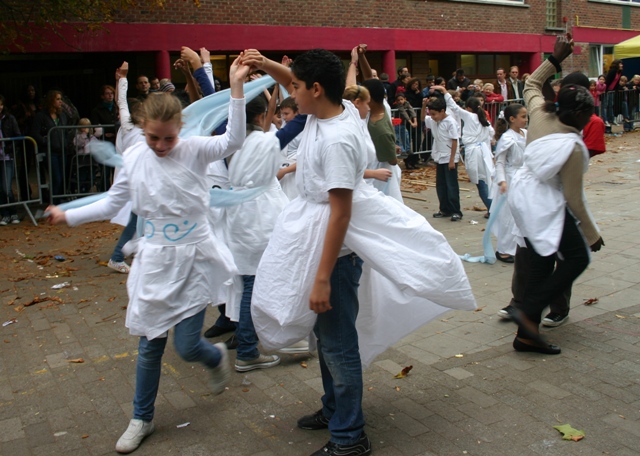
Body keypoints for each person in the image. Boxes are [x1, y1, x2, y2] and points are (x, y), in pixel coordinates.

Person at [242, 48, 476, 456]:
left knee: (337, 344)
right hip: (321, 246)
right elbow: (296, 81)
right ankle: (334, 409)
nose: (289, 93)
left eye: (295, 87)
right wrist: (266, 65)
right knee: (328, 339)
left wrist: (321, 278)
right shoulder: (337, 109)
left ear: (316, 89)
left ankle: (349, 436)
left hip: (333, 255)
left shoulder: (336, 140)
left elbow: (340, 214)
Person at [46, 55, 252, 454]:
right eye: (153, 138)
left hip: (192, 258)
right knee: (149, 345)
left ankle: (214, 358)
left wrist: (238, 89)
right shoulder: (135, 158)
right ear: (142, 130)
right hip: (155, 260)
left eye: (168, 138)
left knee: (188, 347)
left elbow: (233, 141)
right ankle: (141, 417)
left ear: (181, 130)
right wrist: (67, 214)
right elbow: (111, 205)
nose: (160, 146)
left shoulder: (193, 150)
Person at [507, 34, 604, 355]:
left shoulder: (540, 112)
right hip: (545, 203)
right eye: (588, 116)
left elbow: (532, 84)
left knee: (538, 264)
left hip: (522, 196)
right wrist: (592, 234)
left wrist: (555, 57)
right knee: (577, 257)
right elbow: (575, 200)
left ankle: (525, 336)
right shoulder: (572, 146)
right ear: (578, 116)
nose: (589, 120)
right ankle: (529, 307)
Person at [436, 87, 495, 216]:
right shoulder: (484, 119)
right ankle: (492, 207)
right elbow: (492, 133)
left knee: (480, 182)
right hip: (483, 152)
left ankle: (492, 209)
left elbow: (454, 107)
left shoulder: (470, 116)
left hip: (475, 152)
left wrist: (445, 92)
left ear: (468, 108)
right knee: (485, 181)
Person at [491, 103, 527, 262]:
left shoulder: (526, 133)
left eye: (526, 116)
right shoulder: (507, 138)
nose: (526, 120)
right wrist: (502, 181)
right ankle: (504, 249)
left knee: (522, 214)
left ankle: (520, 246)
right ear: (512, 119)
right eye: (523, 116)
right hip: (511, 178)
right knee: (508, 215)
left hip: (524, 178)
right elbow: (500, 162)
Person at [424, 96, 462, 221]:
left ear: (442, 111)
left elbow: (454, 141)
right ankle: (444, 209)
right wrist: (424, 106)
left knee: (451, 185)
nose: (432, 117)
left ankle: (456, 210)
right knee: (441, 185)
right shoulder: (434, 121)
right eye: (431, 114)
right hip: (439, 156)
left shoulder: (450, 122)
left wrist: (452, 160)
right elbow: (423, 119)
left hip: (449, 156)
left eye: (434, 114)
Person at [31, 89, 70, 202]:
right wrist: (46, 142)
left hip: (62, 150)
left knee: (63, 177)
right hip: (50, 151)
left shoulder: (62, 115)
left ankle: (61, 200)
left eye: (61, 99)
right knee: (56, 178)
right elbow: (34, 133)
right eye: (57, 99)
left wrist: (66, 142)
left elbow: (66, 131)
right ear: (51, 100)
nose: (60, 102)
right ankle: (54, 202)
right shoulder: (41, 116)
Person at [0, 94, 21, 225]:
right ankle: (5, 214)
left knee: (6, 188)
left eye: (1, 104)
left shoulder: (9, 118)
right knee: (0, 188)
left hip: (7, 156)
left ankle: (13, 212)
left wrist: (9, 148)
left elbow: (17, 135)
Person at [604, 60, 623, 126]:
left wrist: (617, 89)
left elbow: (617, 82)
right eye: (620, 64)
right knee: (606, 105)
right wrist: (605, 90)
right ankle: (606, 120)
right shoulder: (613, 71)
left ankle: (611, 119)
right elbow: (608, 81)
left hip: (612, 91)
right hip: (607, 90)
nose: (622, 65)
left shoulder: (619, 72)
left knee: (611, 105)